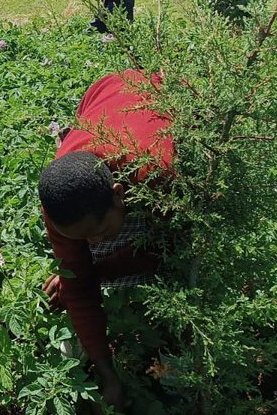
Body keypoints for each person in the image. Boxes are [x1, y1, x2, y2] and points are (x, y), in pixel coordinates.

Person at [37, 70, 176, 411]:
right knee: (78, 272)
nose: (94, 242)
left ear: (119, 195)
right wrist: (106, 373)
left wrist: (99, 270)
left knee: (172, 264)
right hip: (101, 95)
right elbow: (81, 289)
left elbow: (165, 251)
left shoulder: (160, 175)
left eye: (97, 232)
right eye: (83, 238)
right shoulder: (60, 202)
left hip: (155, 95)